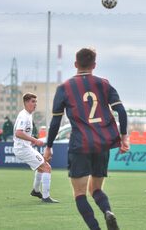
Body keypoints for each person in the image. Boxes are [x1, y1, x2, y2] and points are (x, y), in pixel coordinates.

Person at [44, 47, 130, 230]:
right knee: (96, 189)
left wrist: (49, 146)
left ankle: (95, 228)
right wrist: (124, 137)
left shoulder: (64, 88)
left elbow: (55, 122)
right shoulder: (104, 84)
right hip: (102, 144)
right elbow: (121, 111)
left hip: (80, 144)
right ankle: (107, 211)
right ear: (94, 65)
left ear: (76, 64)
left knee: (80, 193)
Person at [13, 93, 58, 203]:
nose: (35, 104)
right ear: (26, 102)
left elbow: (21, 133)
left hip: (24, 147)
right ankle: (46, 197)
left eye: (36, 102)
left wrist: (30, 141)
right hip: (22, 149)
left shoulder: (27, 114)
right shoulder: (24, 116)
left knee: (42, 166)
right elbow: (18, 133)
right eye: (33, 101)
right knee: (46, 167)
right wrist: (34, 140)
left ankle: (36, 191)